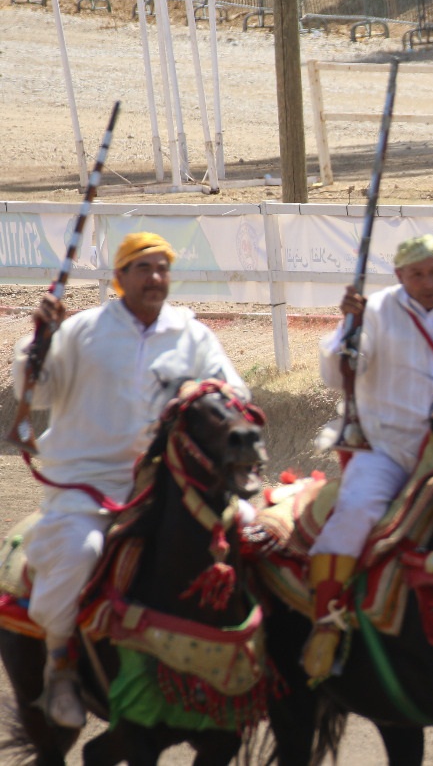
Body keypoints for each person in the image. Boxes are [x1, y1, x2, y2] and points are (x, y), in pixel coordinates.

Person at [10, 232, 246, 729]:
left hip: (170, 482)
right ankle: (60, 665)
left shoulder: (192, 334)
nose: (155, 278)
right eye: (143, 268)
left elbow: (232, 393)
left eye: (162, 268)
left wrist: (206, 398)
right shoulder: (84, 331)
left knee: (256, 536)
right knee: (79, 554)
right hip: (88, 483)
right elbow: (38, 389)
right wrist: (40, 340)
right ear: (120, 278)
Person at [305, 232, 433, 680]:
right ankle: (326, 621)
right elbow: (336, 375)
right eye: (418, 274)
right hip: (389, 449)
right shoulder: (376, 310)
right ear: (399, 276)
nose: (430, 282)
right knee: (355, 512)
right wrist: (348, 330)